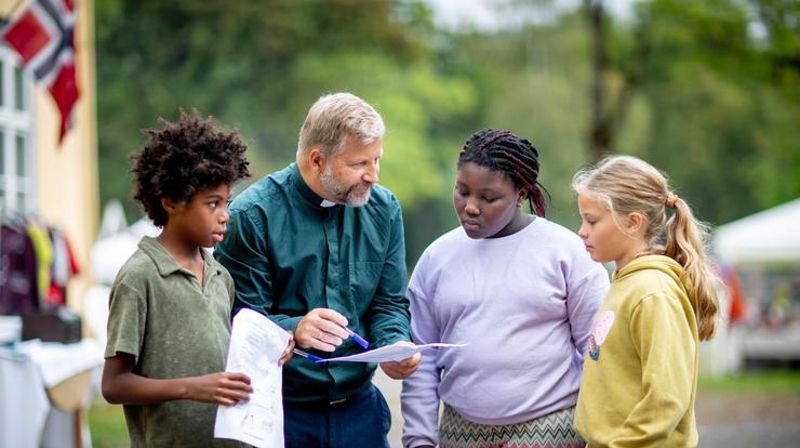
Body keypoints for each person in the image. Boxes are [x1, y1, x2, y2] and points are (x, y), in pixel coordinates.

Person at [214, 92, 421, 448]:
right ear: (316, 159)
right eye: (359, 163)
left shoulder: (384, 209)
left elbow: (388, 304)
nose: (373, 175)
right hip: (282, 413)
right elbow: (239, 319)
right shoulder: (252, 216)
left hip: (361, 413)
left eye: (377, 160)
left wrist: (394, 345)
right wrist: (295, 327)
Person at [401, 129, 610, 448]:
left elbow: (595, 352)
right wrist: (419, 440)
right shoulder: (436, 259)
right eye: (462, 191)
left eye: (488, 198)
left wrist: (598, 434)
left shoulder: (566, 252)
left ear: (521, 194)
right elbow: (421, 359)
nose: (471, 207)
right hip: (460, 434)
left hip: (552, 429)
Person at [101, 110, 293, 447]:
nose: (225, 216)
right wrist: (192, 387)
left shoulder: (221, 275)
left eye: (226, 203)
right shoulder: (139, 277)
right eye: (212, 204)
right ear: (171, 202)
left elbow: (224, 358)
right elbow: (114, 385)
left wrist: (268, 351)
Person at [572, 155, 720, 447]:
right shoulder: (626, 283)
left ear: (633, 223)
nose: (582, 231)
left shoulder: (653, 292)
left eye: (592, 220)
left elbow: (666, 400)